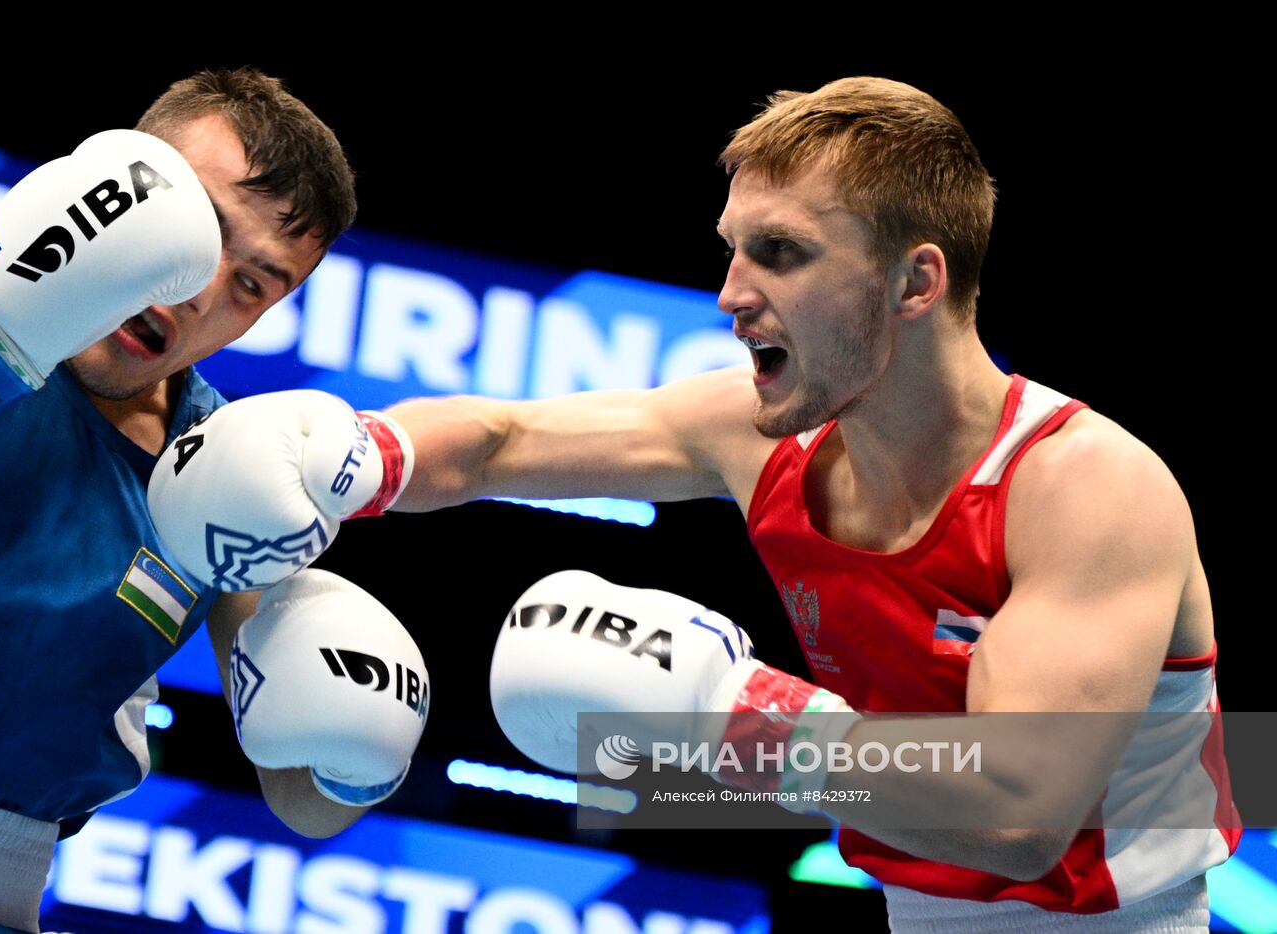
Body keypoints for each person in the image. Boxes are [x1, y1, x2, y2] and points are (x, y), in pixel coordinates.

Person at [157, 76, 1238, 931]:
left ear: (915, 283)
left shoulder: (1081, 486)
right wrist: (361, 450)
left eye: (780, 254)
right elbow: (504, 439)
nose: (730, 294)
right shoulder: (762, 433)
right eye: (730, 249)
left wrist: (739, 709)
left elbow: (1018, 814)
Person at [0, 68, 426, 933]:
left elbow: (301, 800)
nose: (201, 291)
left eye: (254, 283)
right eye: (197, 231)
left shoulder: (228, 465)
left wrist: (360, 750)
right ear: (117, 187)